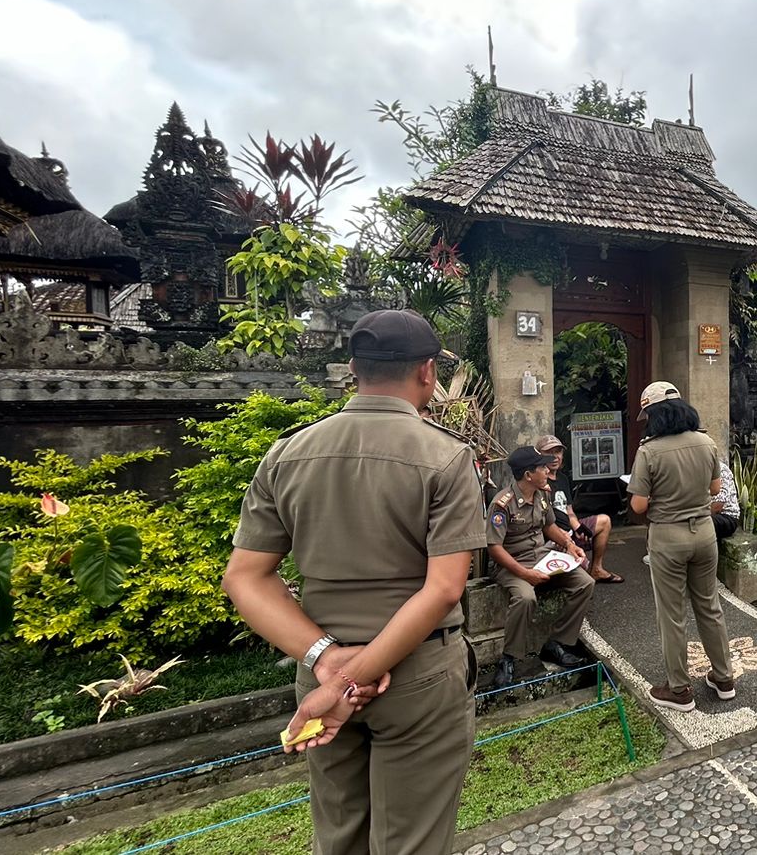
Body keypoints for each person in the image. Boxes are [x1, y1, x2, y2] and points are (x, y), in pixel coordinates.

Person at [223, 309, 484, 855]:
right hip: (417, 675)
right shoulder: (446, 456)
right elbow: (442, 589)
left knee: (339, 836)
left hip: (320, 673)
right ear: (427, 371)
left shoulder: (288, 453)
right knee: (412, 841)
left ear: (354, 370)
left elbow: (245, 578)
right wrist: (352, 679)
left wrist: (326, 664)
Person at [627, 381, 736, 711]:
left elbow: (638, 506)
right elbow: (715, 488)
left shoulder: (649, 451)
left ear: (655, 415)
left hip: (668, 537)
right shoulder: (706, 442)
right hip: (704, 533)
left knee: (672, 614)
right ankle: (724, 678)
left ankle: (679, 690)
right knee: (710, 606)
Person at [486, 446, 596, 687]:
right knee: (526, 598)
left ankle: (557, 643)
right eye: (542, 467)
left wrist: (569, 545)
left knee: (585, 583)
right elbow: (494, 548)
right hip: (511, 564)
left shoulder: (542, 494)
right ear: (528, 475)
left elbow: (549, 526)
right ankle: (509, 658)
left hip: (541, 557)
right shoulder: (502, 504)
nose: (548, 470)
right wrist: (525, 574)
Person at [534, 434, 620, 584]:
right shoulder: (539, 481)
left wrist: (578, 527)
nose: (554, 457)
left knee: (604, 521)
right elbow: (541, 521)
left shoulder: (563, 479)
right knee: (581, 574)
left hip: (569, 530)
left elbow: (569, 511)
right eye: (549, 453)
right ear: (539, 456)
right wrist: (563, 537)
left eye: (558, 452)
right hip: (553, 536)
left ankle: (597, 569)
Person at [711, 460, 742, 539]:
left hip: (726, 516)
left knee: (698, 524)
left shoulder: (721, 468)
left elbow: (717, 506)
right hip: (705, 514)